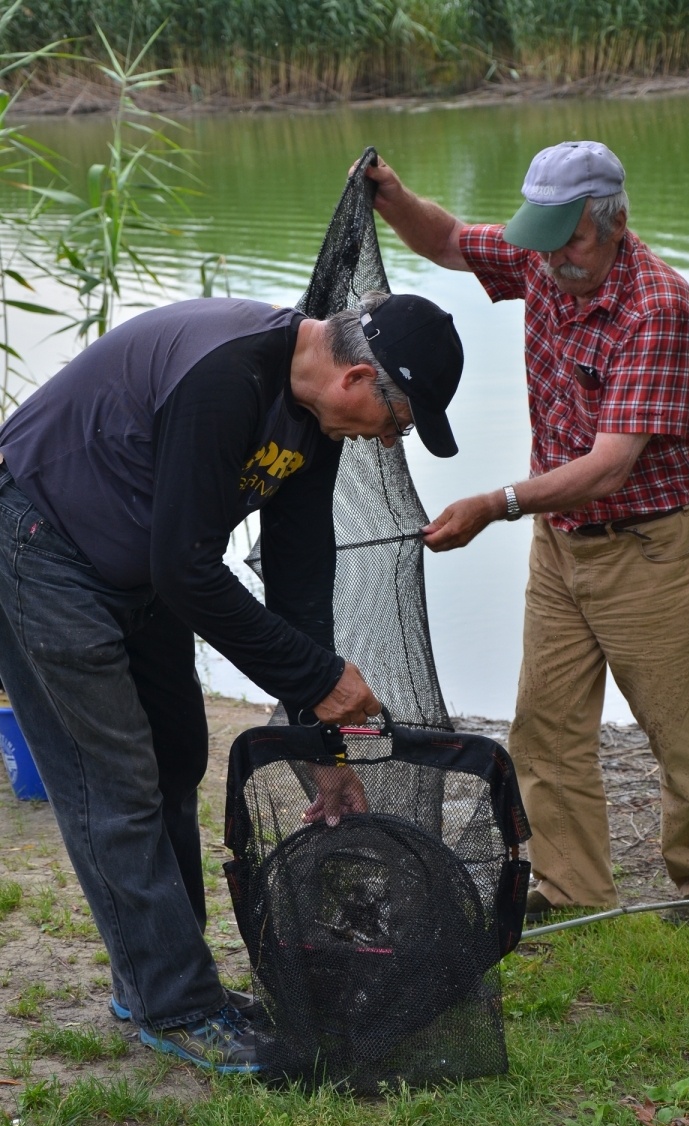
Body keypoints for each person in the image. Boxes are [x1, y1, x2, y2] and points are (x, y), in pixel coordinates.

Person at [0, 289, 464, 1071]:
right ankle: (174, 1006)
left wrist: (324, 747)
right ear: (358, 380)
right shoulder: (226, 376)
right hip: (41, 545)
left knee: (177, 756)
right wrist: (320, 678)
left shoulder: (317, 420)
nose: (390, 443)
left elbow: (298, 582)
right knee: (115, 784)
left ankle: (156, 975)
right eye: (399, 423)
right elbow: (186, 569)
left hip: (140, 570)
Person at [362, 140, 689, 925]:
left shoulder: (657, 310)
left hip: (656, 541)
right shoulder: (540, 255)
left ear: (614, 221)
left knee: (683, 738)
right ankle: (570, 887)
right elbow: (445, 241)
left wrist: (493, 504)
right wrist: (392, 196)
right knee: (545, 727)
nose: (555, 260)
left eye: (572, 239)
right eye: (545, 238)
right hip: (563, 538)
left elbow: (610, 466)